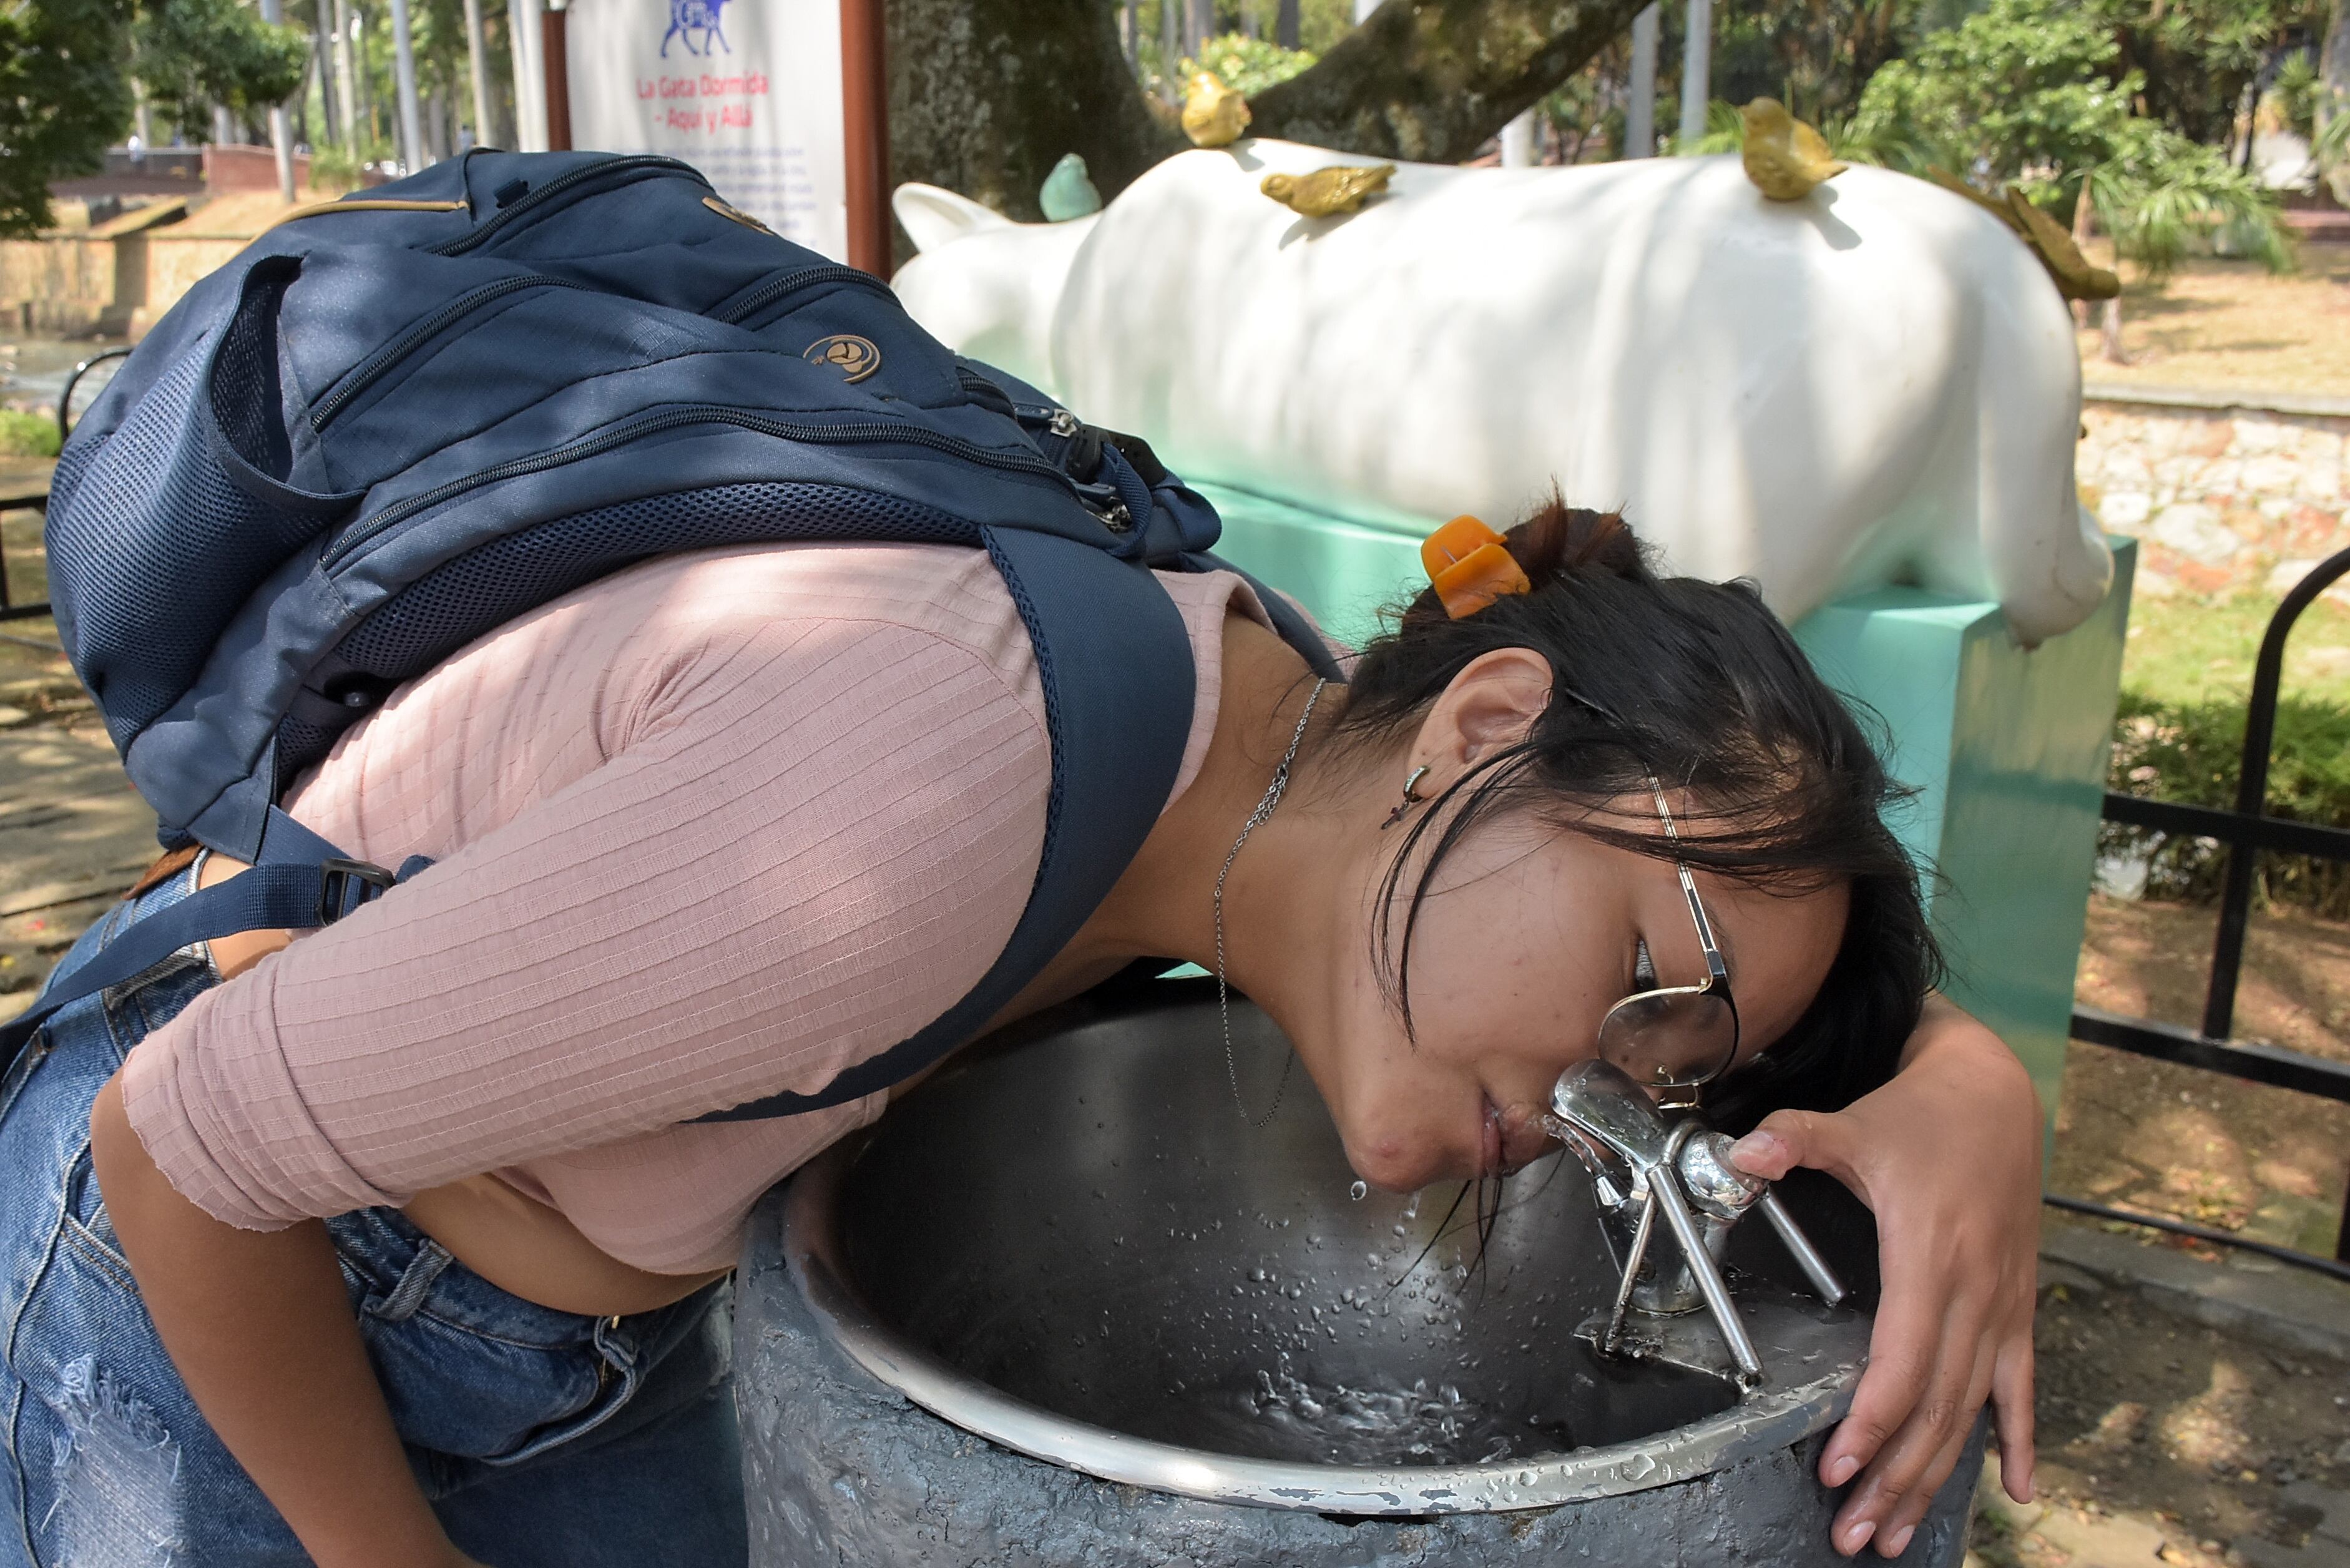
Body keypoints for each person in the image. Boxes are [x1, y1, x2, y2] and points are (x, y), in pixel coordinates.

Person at [0, 501, 2040, 1567]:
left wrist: (1971, 1083)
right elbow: (184, 1153)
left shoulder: (1277, 729)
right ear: (1485, 728)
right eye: (1645, 976)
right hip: (215, 1294)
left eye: (1680, 1067)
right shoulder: (910, 813)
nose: (1618, 1089)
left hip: (575, 1333)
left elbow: (1740, 930)